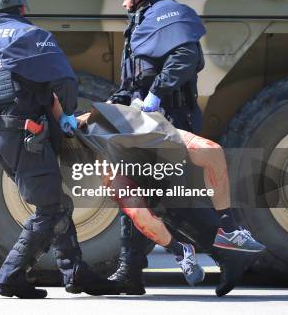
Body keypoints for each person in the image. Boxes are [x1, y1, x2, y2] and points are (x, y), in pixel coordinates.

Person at [0, 0, 122, 298]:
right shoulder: (30, 35)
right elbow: (63, 81)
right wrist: (64, 117)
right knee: (49, 207)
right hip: (28, 136)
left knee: (57, 203)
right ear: (22, 8)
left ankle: (76, 273)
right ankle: (10, 276)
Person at [72, 101, 266, 296]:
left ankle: (225, 247)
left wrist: (154, 94)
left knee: (173, 199)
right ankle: (133, 270)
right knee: (148, 205)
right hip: (130, 123)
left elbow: (175, 70)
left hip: (158, 117)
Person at [108, 0, 207, 294]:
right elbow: (130, 82)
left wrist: (156, 93)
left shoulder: (170, 14)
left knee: (172, 201)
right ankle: (130, 273)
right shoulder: (140, 23)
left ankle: (225, 257)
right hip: (147, 124)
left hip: (173, 120)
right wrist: (105, 111)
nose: (123, 4)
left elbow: (186, 56)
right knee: (134, 195)